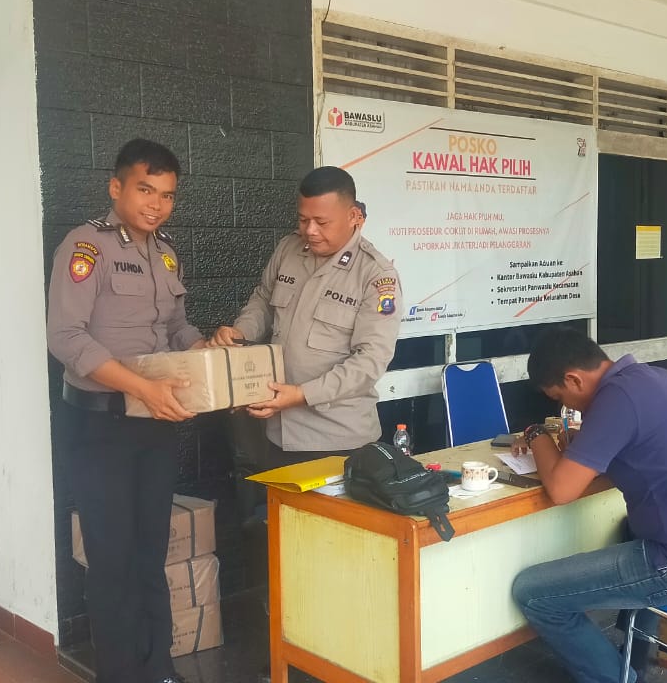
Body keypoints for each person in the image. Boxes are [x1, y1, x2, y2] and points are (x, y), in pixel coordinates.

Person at [510, 327, 667, 683]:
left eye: (560, 397)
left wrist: (536, 433)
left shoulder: (615, 400)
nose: (567, 407)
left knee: (532, 592)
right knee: (629, 529)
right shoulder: (655, 379)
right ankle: (634, 654)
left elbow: (562, 489)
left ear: (573, 379)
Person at [47, 138, 202, 683]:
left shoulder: (166, 252)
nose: (156, 204)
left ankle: (158, 668)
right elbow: (66, 337)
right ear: (117, 187)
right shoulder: (86, 246)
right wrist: (142, 387)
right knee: (111, 558)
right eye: (145, 190)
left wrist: (207, 348)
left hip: (154, 422)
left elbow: (176, 328)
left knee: (150, 551)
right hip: (100, 424)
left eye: (167, 195)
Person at [210, 166, 401, 523]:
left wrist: (301, 395)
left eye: (321, 222)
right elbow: (263, 300)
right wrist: (239, 333)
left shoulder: (376, 276)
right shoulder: (289, 249)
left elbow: (369, 362)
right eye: (303, 220)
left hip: (336, 443)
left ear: (354, 216)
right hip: (277, 435)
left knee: (329, 543)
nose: (310, 231)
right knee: (284, 539)